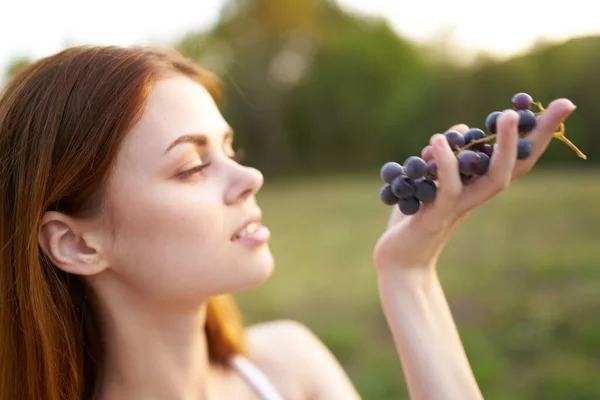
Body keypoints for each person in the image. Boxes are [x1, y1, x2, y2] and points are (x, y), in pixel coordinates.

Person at [0, 45, 575, 400]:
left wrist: (409, 272)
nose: (250, 179)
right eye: (193, 166)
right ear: (75, 242)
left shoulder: (288, 368)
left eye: (231, 149)